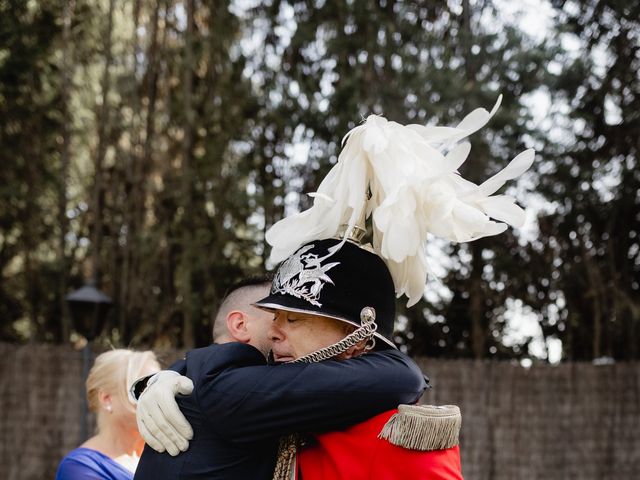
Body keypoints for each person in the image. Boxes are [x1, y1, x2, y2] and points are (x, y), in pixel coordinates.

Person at [133, 275, 426, 480]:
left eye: (292, 318)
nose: (278, 329)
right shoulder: (223, 384)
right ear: (239, 324)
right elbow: (404, 377)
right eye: (276, 315)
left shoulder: (195, 378)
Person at [56, 349, 160, 480]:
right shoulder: (80, 468)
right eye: (142, 389)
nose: (157, 398)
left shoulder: (160, 454)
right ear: (106, 399)